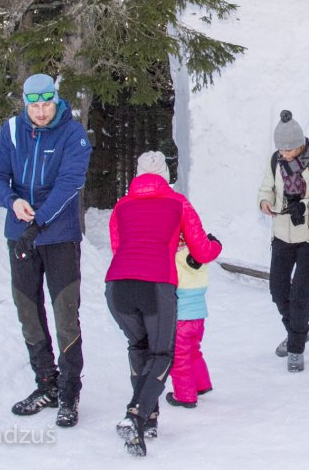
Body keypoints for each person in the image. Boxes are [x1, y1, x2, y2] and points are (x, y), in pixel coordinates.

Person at [0, 73, 92, 427]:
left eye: (47, 104)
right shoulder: (12, 131)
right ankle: (46, 383)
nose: (42, 112)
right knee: (27, 311)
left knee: (65, 315)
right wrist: (12, 201)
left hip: (59, 236)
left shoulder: (72, 134)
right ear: (25, 104)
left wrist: (39, 221)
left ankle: (69, 391)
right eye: (35, 106)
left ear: (55, 101)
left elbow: (70, 183)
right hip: (20, 235)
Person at [105, 151, 221, 456]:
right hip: (156, 284)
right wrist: (215, 245)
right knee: (161, 353)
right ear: (165, 175)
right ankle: (136, 415)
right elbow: (201, 250)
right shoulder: (178, 202)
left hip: (117, 285)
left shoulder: (121, 205)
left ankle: (149, 419)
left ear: (138, 174)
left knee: (138, 347)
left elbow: (118, 246)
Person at [257, 110, 309, 372]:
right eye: (281, 149)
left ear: (299, 145)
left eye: (288, 149)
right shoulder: (275, 160)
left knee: (299, 294)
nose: (283, 153)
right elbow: (267, 187)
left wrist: (304, 206)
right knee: (277, 289)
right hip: (282, 234)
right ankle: (300, 330)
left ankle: (296, 348)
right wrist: (265, 201)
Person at [167, 236, 215, 407]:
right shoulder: (200, 254)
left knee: (179, 357)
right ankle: (202, 384)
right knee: (194, 350)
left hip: (180, 317)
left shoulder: (174, 256)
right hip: (198, 316)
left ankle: (184, 396)